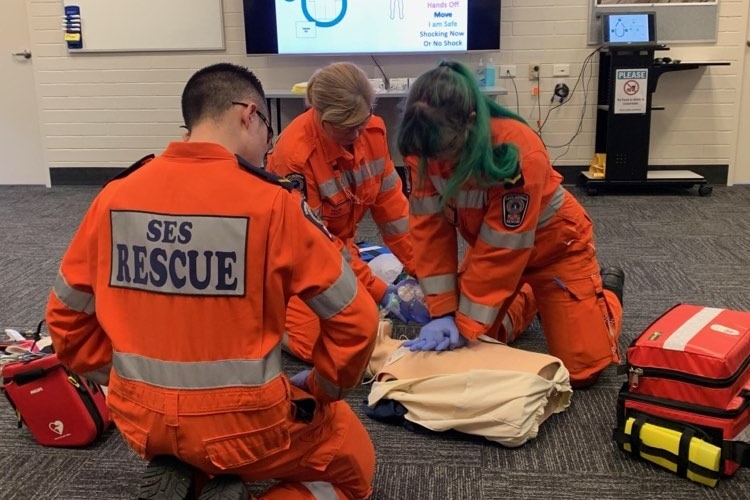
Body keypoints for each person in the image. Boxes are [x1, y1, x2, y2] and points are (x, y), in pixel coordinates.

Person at [45, 62, 379, 500]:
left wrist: (121, 379)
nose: (268, 144)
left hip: (141, 421)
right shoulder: (273, 204)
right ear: (248, 114)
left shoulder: (114, 196)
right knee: (353, 463)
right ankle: (220, 471)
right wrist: (324, 386)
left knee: (197, 442)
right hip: (247, 426)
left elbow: (64, 320)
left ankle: (192, 471)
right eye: (267, 129)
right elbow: (357, 320)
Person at [266, 61, 537, 361]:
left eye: (363, 121)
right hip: (302, 257)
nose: (359, 134)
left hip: (345, 247)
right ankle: (275, 307)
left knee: (459, 304)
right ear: (323, 119)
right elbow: (319, 246)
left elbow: (395, 213)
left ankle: (530, 294)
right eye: (349, 128)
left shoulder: (372, 131)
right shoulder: (294, 159)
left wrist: (428, 280)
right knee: (322, 346)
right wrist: (383, 293)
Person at [396, 60, 625, 389]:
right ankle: (532, 299)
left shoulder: (517, 152)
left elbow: (504, 247)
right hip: (492, 251)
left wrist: (465, 323)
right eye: (429, 155)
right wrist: (443, 312)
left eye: (446, 150)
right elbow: (429, 233)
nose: (437, 163)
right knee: (476, 347)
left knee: (581, 371)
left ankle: (604, 295)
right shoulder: (425, 145)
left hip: (556, 253)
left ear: (470, 122)